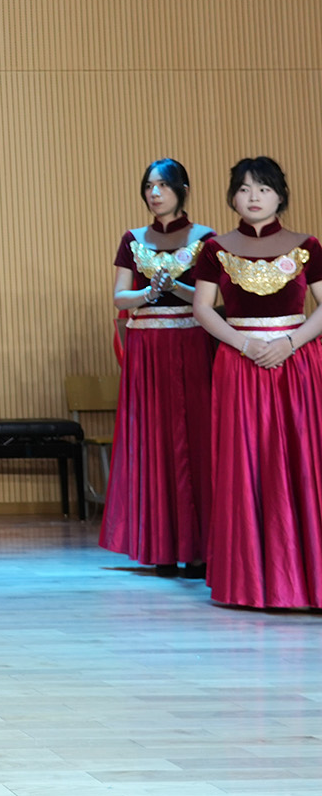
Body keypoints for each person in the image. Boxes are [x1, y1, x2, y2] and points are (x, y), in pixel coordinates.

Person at [190, 156, 322, 609]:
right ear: (232, 197)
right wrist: (245, 345)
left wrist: (290, 342)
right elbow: (202, 309)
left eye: (263, 188)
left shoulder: (307, 245)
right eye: (244, 189)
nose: (253, 197)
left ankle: (307, 581)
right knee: (244, 464)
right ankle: (249, 583)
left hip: (297, 365)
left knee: (302, 463)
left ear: (280, 196)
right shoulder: (215, 249)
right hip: (239, 364)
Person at [101, 160, 215, 575]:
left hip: (191, 343)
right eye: (149, 186)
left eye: (163, 185)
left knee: (194, 440)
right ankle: (161, 548)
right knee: (151, 440)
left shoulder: (206, 240)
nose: (154, 193)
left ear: (181, 189)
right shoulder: (133, 240)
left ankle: (198, 549)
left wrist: (176, 288)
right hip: (147, 348)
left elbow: (211, 298)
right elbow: (120, 297)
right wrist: (149, 293)